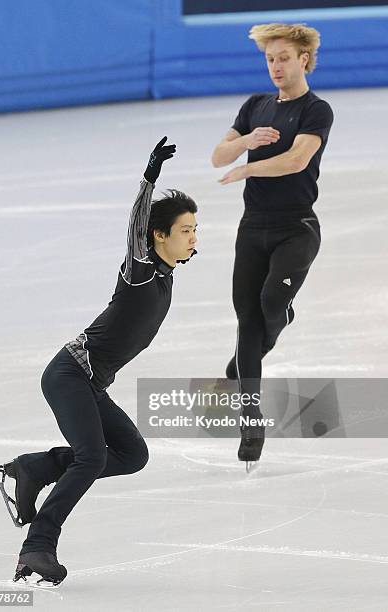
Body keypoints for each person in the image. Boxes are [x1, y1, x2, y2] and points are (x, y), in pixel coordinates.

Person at [0, 137, 198, 585]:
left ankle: (36, 468)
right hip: (68, 373)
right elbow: (135, 228)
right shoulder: (141, 268)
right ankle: (38, 546)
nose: (193, 237)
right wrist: (149, 180)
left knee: (132, 454)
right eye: (185, 229)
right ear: (160, 235)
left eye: (194, 229)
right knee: (89, 458)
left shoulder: (165, 275)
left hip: (88, 382)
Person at [211, 23, 334, 468]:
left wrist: (248, 169)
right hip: (252, 228)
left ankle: (276, 321)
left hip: (296, 227)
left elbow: (298, 159)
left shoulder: (316, 110)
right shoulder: (255, 106)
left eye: (284, 58)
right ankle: (250, 422)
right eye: (270, 59)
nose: (276, 67)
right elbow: (218, 155)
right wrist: (244, 143)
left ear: (304, 59)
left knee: (269, 303)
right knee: (247, 320)